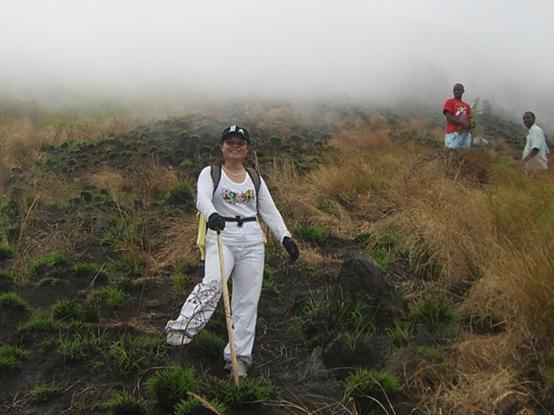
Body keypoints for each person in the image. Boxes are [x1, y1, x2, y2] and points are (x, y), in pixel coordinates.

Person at [165, 124, 299, 378]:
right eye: (230, 142)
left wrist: (285, 238)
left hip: (251, 239)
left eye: (240, 142)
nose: (235, 146)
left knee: (247, 300)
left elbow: (269, 211)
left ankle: (238, 358)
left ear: (247, 148)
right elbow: (202, 198)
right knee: (214, 283)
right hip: (222, 235)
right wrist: (212, 214)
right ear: (222, 147)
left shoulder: (255, 178)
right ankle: (181, 331)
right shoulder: (211, 173)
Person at [442, 83, 473, 149]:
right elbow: (449, 118)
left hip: (465, 134)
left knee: (465, 155)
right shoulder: (449, 102)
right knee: (452, 154)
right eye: (455, 90)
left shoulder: (467, 106)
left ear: (463, 91)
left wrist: (471, 125)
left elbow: (469, 119)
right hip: (453, 134)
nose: (457, 91)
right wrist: (462, 123)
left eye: (459, 90)